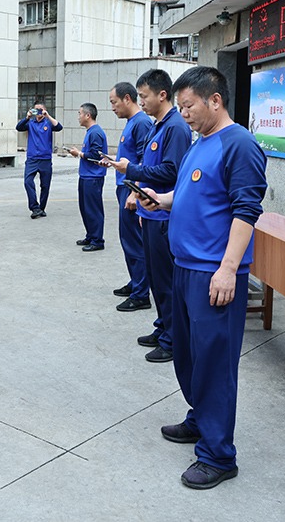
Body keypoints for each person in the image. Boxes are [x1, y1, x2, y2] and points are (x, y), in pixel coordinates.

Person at [141, 66, 267, 490]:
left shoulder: (240, 145)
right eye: (180, 107)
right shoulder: (200, 142)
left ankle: (218, 455)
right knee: (189, 355)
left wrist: (229, 268)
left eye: (189, 106)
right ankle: (200, 418)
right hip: (184, 267)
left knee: (214, 363)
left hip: (214, 273)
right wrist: (163, 201)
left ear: (215, 100)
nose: (185, 114)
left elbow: (245, 211)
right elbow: (192, 191)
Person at [105, 70, 191, 363]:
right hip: (151, 214)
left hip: (165, 218)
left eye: (144, 96)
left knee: (167, 283)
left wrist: (132, 170)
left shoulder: (175, 128)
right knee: (157, 280)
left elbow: (171, 171)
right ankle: (163, 327)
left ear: (162, 95)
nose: (140, 101)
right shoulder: (158, 125)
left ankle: (172, 339)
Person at [108, 82, 152, 311]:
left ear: (127, 99)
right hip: (123, 186)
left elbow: (145, 160)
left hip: (131, 190)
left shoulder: (142, 123)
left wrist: (136, 192)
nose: (113, 108)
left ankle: (141, 293)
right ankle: (136, 281)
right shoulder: (131, 123)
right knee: (127, 240)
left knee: (135, 241)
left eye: (114, 103)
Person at [68, 103, 107, 251]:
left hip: (93, 177)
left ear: (88, 115)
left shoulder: (95, 132)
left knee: (93, 209)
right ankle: (91, 235)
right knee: (85, 208)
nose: (78, 117)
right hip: (86, 176)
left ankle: (98, 240)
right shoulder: (90, 132)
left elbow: (95, 156)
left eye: (79, 113)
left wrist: (79, 153)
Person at [16, 101, 63, 218]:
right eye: (36, 110)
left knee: (45, 185)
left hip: (45, 159)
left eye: (41, 110)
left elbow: (59, 127)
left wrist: (48, 116)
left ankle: (41, 208)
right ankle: (34, 207)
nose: (39, 112)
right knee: (28, 182)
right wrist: (27, 117)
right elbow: (19, 127)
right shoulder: (30, 123)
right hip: (32, 158)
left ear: (45, 110)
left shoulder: (48, 123)